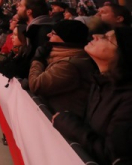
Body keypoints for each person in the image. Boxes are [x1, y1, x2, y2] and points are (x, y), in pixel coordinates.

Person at [53, 28, 132, 165]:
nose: (95, 36)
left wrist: (67, 123)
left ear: (123, 54)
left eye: (107, 38)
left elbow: (111, 155)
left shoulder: (127, 99)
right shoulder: (100, 83)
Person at [29, 20, 95, 116]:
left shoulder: (68, 65)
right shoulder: (61, 55)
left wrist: (37, 60)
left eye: (53, 33)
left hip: (62, 119)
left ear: (65, 38)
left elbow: (36, 85)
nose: (48, 35)